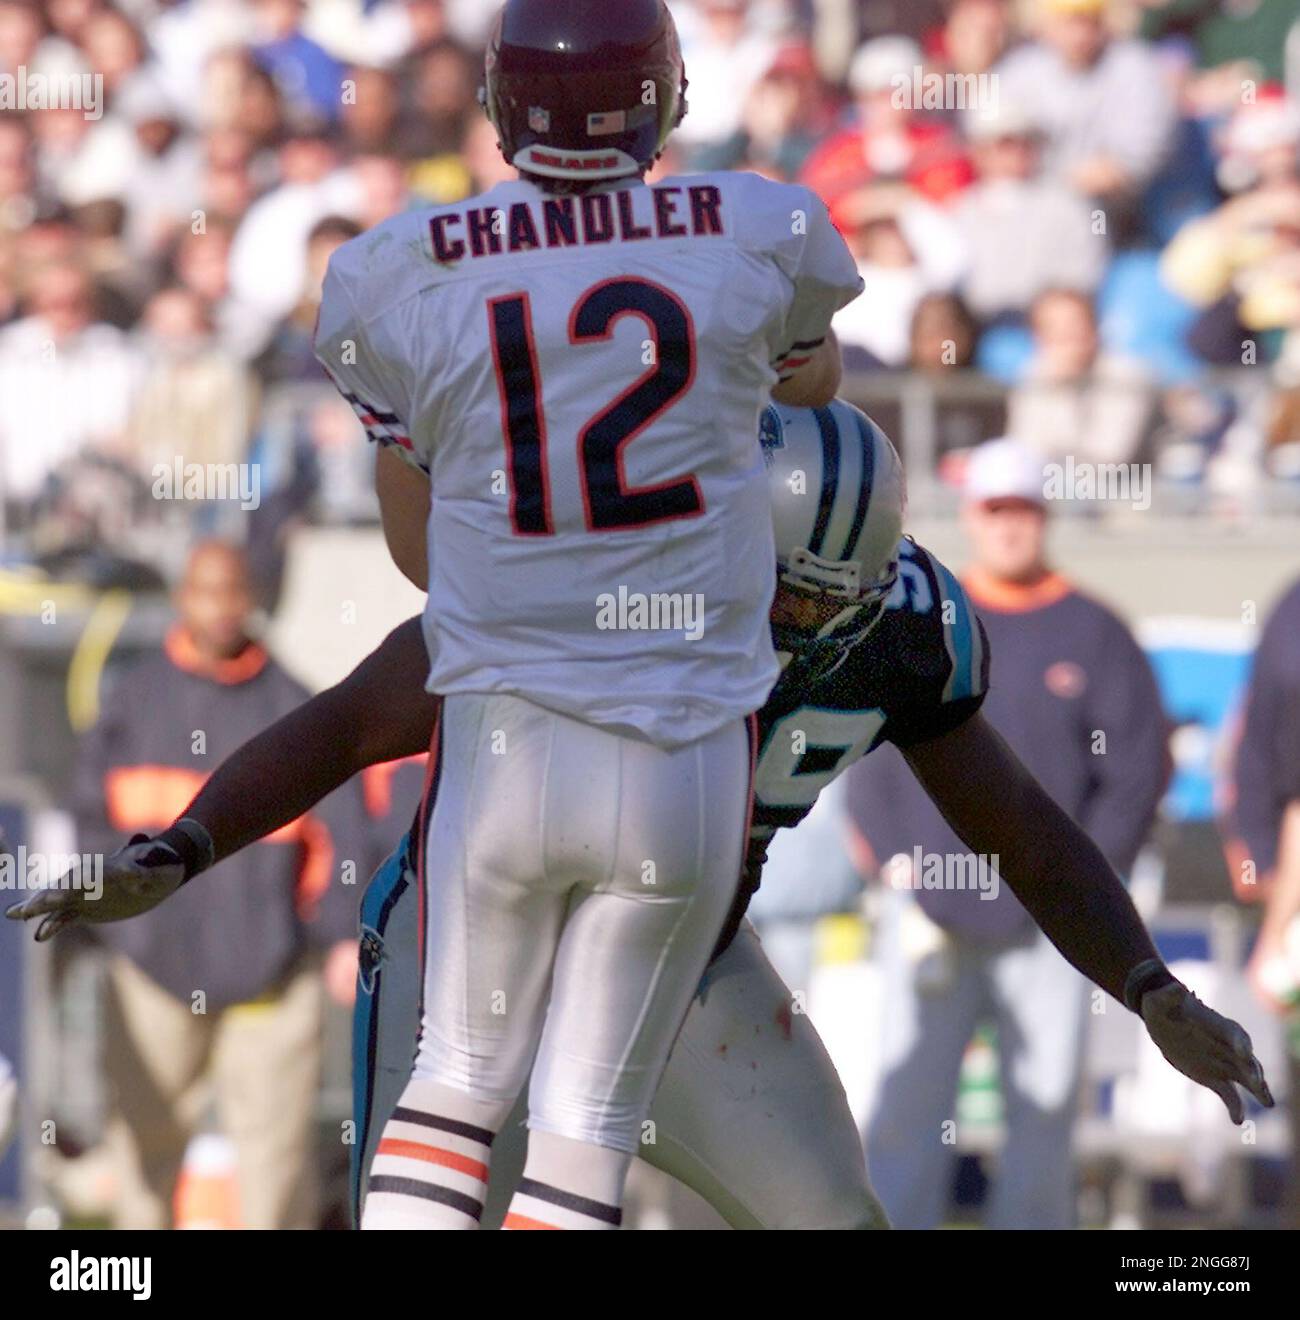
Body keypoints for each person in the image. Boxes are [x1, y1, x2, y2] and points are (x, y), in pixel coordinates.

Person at [12, 404, 1273, 1231]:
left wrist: (1147, 983)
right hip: (481, 953)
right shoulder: (588, 578)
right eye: (777, 587)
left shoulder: (903, 631)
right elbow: (350, 722)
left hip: (689, 956)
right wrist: (184, 845)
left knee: (835, 1222)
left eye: (823, 599)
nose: (791, 621)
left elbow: (1022, 828)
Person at [312, 0, 857, 1230]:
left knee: (450, 1091)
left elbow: (415, 534)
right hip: (685, 743)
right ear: (663, 94)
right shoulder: (761, 227)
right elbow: (815, 382)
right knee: (585, 1128)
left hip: (504, 730)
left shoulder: (400, 267)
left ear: (504, 103)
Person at [851, 436, 1171, 1228]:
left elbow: (1136, 771)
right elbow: (870, 744)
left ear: (1045, 514)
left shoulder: (1097, 631)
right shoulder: (930, 616)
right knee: (904, 1103)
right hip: (927, 912)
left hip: (1050, 924)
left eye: (1023, 507)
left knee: (1048, 1108)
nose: (1008, 525)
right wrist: (896, 864)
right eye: (995, 509)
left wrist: (1081, 887)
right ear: (971, 514)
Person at [67, 540, 366, 1229]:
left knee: (273, 1178)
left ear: (252, 598)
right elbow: (87, 824)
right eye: (204, 590)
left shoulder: (294, 708)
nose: (219, 607)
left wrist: (338, 934)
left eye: (232, 591)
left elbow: (342, 836)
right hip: (152, 978)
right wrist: (114, 925)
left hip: (269, 982)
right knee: (144, 1169)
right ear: (181, 597)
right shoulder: (133, 703)